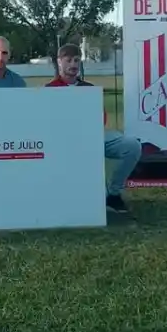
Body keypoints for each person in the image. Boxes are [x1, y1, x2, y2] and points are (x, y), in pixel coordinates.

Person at [45, 43, 141, 214]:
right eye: (69, 60)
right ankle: (97, 195)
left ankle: (114, 192)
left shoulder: (89, 89)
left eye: (76, 60)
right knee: (96, 199)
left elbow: (102, 117)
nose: (73, 65)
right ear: (59, 62)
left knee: (131, 145)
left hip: (94, 136)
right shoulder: (49, 90)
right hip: (65, 142)